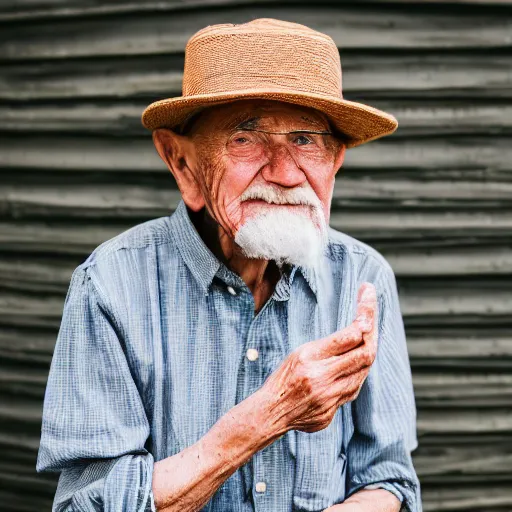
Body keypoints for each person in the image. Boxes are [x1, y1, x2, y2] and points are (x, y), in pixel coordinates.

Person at [37, 18, 421, 512]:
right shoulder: (110, 285)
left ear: (336, 160)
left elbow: (390, 481)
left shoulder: (364, 278)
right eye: (246, 138)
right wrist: (269, 414)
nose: (286, 174)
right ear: (181, 163)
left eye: (306, 141)